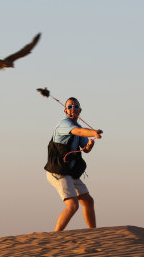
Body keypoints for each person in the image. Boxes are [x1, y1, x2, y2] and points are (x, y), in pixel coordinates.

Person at [45, 97, 103, 231]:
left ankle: (93, 233)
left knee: (88, 201)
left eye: (75, 106)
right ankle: (56, 237)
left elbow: (86, 150)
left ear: (80, 110)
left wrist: (89, 145)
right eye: (70, 107)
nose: (73, 109)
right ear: (65, 111)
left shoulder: (79, 127)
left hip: (69, 173)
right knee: (72, 205)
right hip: (57, 172)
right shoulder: (64, 124)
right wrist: (93, 132)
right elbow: (80, 132)